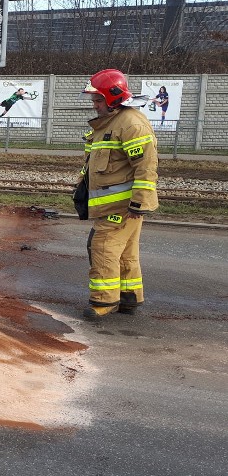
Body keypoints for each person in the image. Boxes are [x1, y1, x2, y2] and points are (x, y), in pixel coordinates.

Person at [78, 69, 158, 322]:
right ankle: (129, 297)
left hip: (122, 207)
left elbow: (145, 166)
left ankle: (104, 301)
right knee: (125, 252)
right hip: (118, 205)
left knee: (102, 247)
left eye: (98, 100)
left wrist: (139, 203)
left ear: (113, 97)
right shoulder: (111, 122)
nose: (95, 105)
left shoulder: (130, 124)